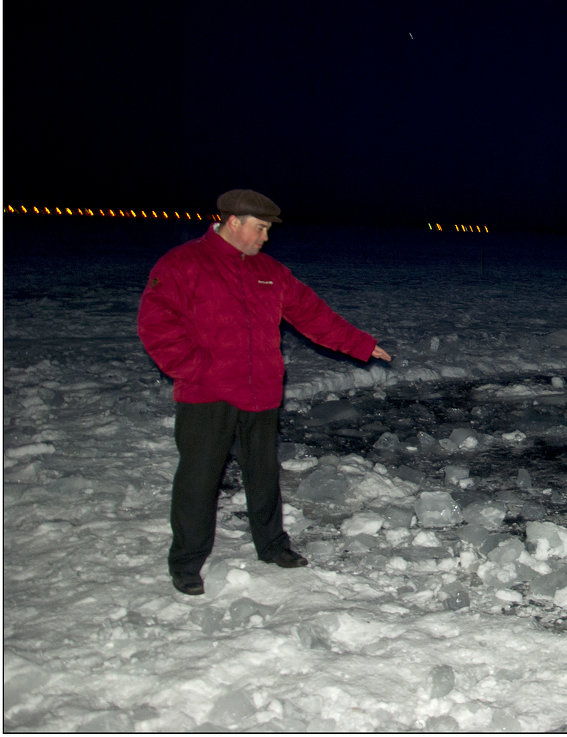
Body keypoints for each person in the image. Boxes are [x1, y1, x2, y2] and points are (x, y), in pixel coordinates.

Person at [137, 189, 392, 595]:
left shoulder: (269, 270)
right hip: (207, 396)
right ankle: (186, 562)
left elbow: (311, 313)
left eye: (268, 230)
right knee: (198, 481)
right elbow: (156, 326)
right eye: (260, 229)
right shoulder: (183, 264)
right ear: (233, 222)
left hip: (261, 394)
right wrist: (198, 370)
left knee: (264, 475)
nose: (265, 238)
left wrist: (358, 343)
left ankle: (272, 546)